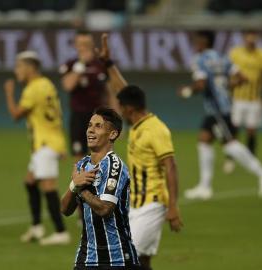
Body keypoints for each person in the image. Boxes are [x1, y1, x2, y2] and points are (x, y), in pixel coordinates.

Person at [95, 33, 183, 270]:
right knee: (141, 261)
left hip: (152, 204)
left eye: (121, 106)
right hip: (135, 203)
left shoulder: (156, 130)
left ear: (129, 108)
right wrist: (109, 64)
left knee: (124, 259)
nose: (118, 109)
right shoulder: (139, 123)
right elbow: (123, 89)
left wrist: (173, 205)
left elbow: (171, 166)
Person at [178, 31, 262, 200]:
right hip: (225, 106)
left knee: (229, 145)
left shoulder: (200, 59)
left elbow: (200, 84)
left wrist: (187, 91)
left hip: (217, 109)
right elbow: (243, 78)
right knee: (204, 139)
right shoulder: (222, 58)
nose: (195, 45)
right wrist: (226, 86)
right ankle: (204, 186)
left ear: (203, 42)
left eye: (197, 41)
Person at [3, 50, 70, 245]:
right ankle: (37, 227)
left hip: (45, 144)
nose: (17, 71)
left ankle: (60, 231)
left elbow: (16, 115)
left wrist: (8, 93)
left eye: (19, 67)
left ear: (30, 68)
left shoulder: (32, 88)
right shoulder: (47, 84)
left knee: (48, 187)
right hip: (52, 139)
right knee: (30, 182)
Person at [61, 107, 140, 269]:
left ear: (113, 134)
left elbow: (105, 209)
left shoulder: (115, 167)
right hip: (87, 256)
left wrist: (81, 189)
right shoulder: (83, 165)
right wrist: (73, 185)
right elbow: (65, 209)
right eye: (90, 125)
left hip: (116, 257)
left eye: (98, 126)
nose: (90, 130)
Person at [59, 29, 115, 162]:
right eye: (81, 44)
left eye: (86, 44)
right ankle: (83, 183)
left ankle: (101, 182)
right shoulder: (71, 65)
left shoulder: (101, 65)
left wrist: (115, 118)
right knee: (79, 159)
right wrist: (81, 65)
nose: (83, 47)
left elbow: (110, 93)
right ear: (75, 45)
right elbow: (68, 85)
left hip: (99, 117)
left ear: (92, 45)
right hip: (78, 117)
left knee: (101, 155)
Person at [224, 30, 262, 173]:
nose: (251, 40)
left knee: (251, 130)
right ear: (244, 38)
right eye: (248, 38)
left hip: (255, 99)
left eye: (254, 38)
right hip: (237, 98)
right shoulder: (235, 53)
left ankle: (251, 160)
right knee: (234, 129)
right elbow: (228, 73)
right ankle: (230, 159)